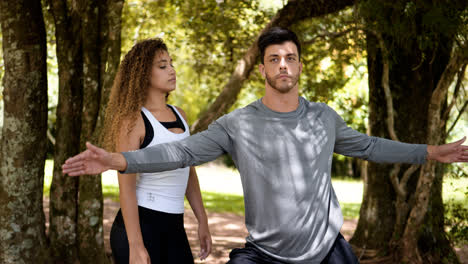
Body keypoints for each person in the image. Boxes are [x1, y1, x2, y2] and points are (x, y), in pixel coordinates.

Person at [63, 28, 468, 263]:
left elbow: (371, 147)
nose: (284, 66)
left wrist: (433, 151)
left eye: (291, 57)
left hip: (326, 250)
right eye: (274, 59)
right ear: (262, 69)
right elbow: (183, 153)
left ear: (300, 65)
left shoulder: (324, 118)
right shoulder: (237, 123)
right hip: (264, 255)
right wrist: (119, 159)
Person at [98, 38, 211, 264]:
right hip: (140, 229)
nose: (172, 70)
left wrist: (203, 221)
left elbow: (189, 172)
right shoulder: (132, 121)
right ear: (143, 74)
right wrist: (136, 246)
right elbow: (126, 188)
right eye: (162, 66)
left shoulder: (181, 115)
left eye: (171, 64)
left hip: (174, 228)